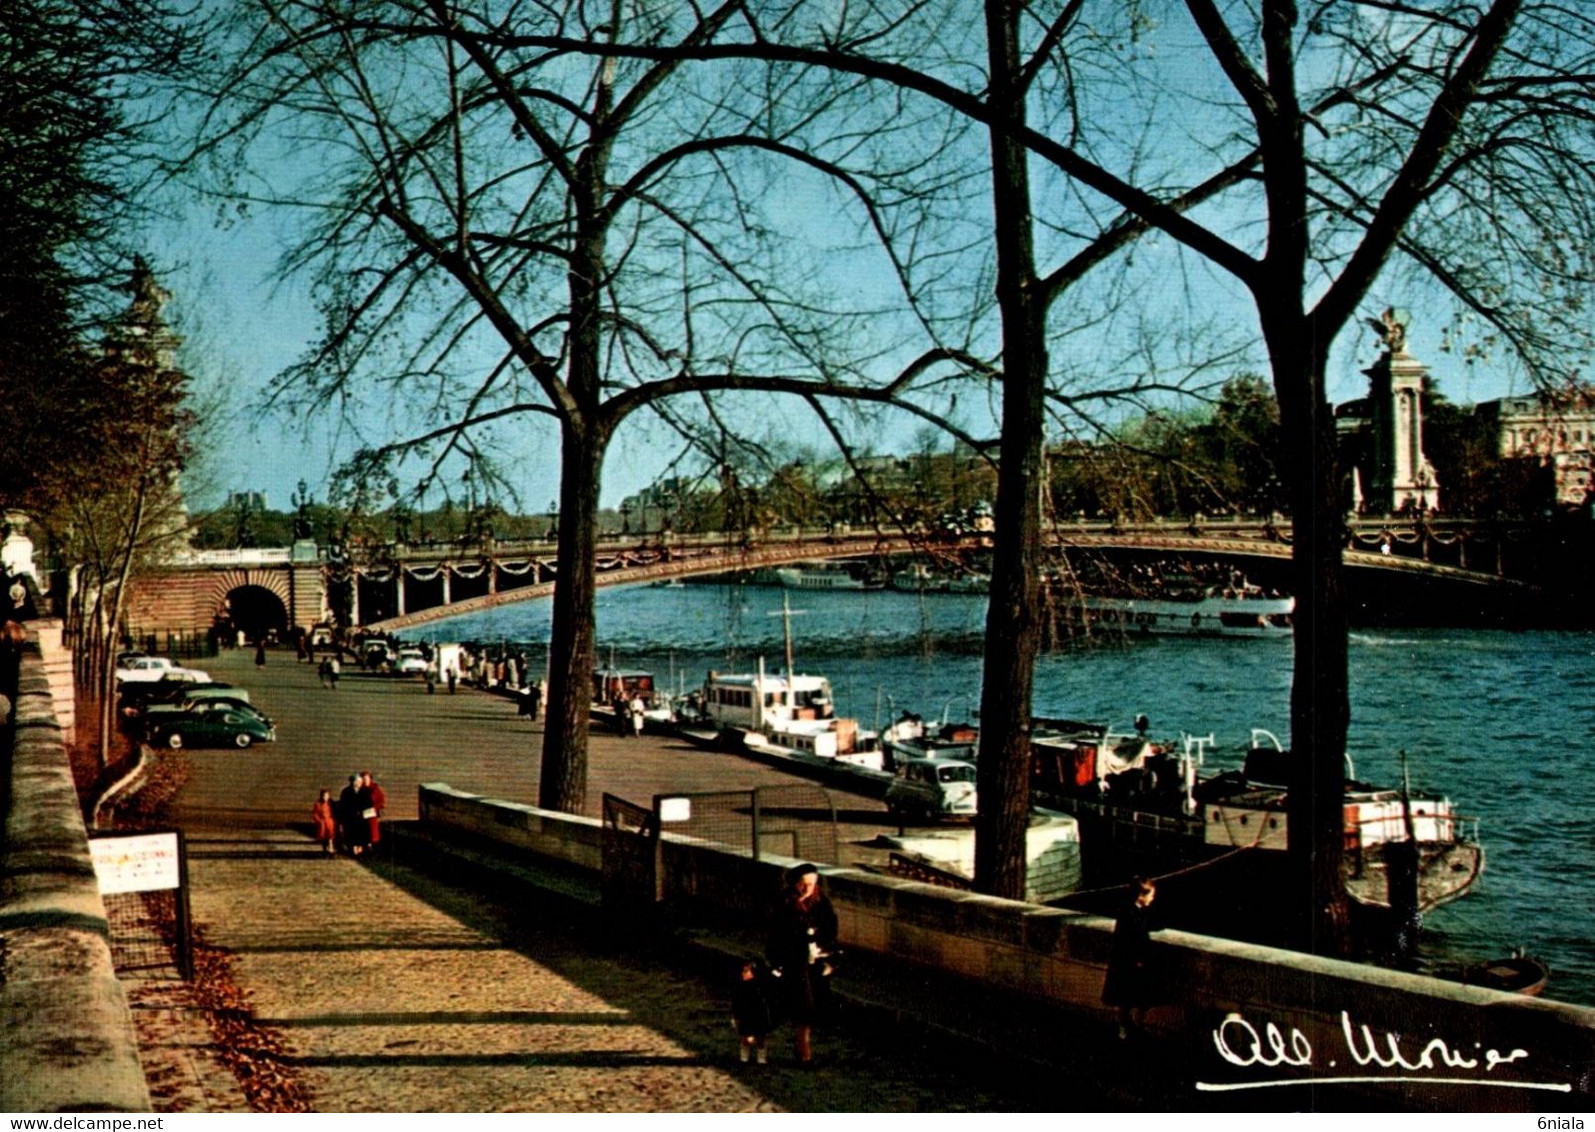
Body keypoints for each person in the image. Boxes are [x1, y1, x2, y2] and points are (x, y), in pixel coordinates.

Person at [766, 863, 838, 1065]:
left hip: (816, 960)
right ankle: (803, 1048)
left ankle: (802, 1044)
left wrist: (826, 951)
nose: (808, 889)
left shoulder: (821, 902)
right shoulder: (784, 904)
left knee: (814, 1003)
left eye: (812, 884)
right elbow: (775, 935)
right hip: (794, 961)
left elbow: (831, 929)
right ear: (796, 884)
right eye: (804, 884)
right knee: (803, 1004)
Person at [1101, 876, 1163, 1040]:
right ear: (1141, 895)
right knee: (1132, 999)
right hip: (1132, 964)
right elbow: (1132, 939)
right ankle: (1130, 1030)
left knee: (1128, 1000)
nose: (1153, 898)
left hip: (1130, 963)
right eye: (1151, 895)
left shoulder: (1131, 912)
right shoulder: (1131, 914)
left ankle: (1128, 1029)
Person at [730, 960, 774, 1066]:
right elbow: (736, 1001)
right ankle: (744, 1057)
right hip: (746, 1014)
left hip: (758, 1014)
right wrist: (735, 1016)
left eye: (747, 971)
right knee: (745, 1037)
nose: (744, 974)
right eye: (744, 971)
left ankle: (761, 1058)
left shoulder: (759, 987)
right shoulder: (740, 986)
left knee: (760, 1037)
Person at [338, 773, 367, 856]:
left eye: (361, 781)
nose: (360, 783)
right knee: (351, 833)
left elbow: (366, 802)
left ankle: (360, 848)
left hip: (361, 817)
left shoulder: (363, 791)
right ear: (354, 782)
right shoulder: (346, 792)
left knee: (361, 833)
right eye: (358, 781)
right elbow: (343, 805)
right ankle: (353, 848)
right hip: (350, 817)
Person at [362, 771, 387, 850]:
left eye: (366, 778)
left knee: (372, 830)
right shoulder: (360, 789)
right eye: (363, 779)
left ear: (370, 779)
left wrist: (375, 808)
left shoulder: (375, 789)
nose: (365, 780)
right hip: (362, 812)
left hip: (372, 813)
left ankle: (372, 845)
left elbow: (381, 800)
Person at [311, 789, 337, 855]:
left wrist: (334, 820)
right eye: (324, 796)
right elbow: (315, 813)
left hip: (329, 822)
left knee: (330, 836)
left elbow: (335, 811)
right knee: (324, 837)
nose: (325, 797)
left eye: (326, 796)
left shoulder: (331, 803)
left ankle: (331, 849)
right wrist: (318, 821)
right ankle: (325, 849)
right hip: (322, 823)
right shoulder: (318, 804)